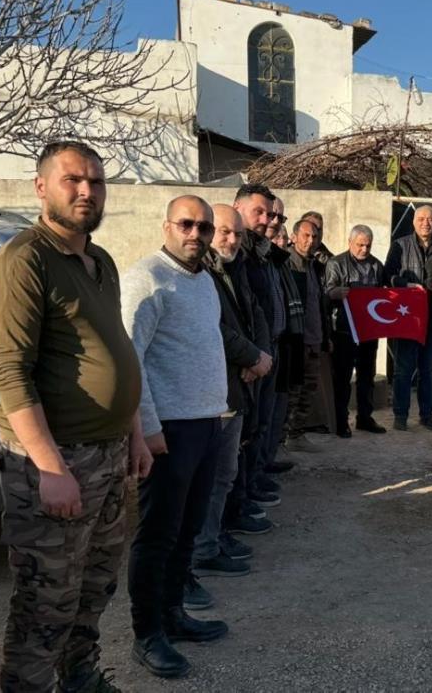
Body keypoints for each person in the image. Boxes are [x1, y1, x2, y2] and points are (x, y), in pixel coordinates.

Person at [0, 141, 152, 693]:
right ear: (41, 187)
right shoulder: (24, 260)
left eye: (97, 182)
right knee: (45, 600)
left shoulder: (99, 261)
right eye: (73, 180)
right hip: (56, 462)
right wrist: (51, 468)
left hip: (109, 456)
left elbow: (115, 346)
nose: (87, 191)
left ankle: (79, 676)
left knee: (94, 586)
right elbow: (11, 372)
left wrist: (134, 435)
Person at [122, 195, 230, 679]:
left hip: (208, 424)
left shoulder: (204, 280)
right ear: (166, 225)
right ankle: (147, 634)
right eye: (186, 224)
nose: (196, 234)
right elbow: (130, 360)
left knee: (187, 530)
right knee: (158, 534)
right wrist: (147, 428)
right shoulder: (146, 278)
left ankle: (174, 616)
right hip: (169, 431)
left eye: (204, 227)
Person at [191, 205, 273, 589]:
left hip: (237, 383)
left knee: (225, 473)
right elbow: (214, 328)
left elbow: (254, 314)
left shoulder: (235, 267)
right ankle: (203, 549)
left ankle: (213, 537)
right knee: (211, 477)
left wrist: (257, 355)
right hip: (214, 388)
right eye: (224, 232)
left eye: (237, 234)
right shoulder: (200, 272)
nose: (231, 240)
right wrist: (251, 356)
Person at [233, 184, 295, 530]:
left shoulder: (262, 254)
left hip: (267, 350)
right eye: (261, 212)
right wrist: (250, 354)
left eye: (272, 215)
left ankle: (250, 485)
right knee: (243, 434)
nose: (268, 220)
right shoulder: (235, 256)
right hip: (248, 360)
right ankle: (237, 504)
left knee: (259, 425)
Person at [384, 205, 432, 431]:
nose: (426, 223)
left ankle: (427, 415)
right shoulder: (399, 246)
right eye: (421, 218)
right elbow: (387, 275)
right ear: (414, 221)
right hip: (408, 318)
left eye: (430, 219)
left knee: (428, 370)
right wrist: (405, 284)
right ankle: (400, 415)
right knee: (403, 370)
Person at [325, 224, 387, 437]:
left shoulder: (377, 266)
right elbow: (326, 292)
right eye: (360, 245)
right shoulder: (335, 263)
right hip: (343, 329)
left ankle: (365, 417)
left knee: (366, 376)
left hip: (368, 330)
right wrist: (335, 293)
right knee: (342, 378)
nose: (364, 249)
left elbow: (385, 293)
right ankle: (341, 420)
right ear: (350, 242)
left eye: (368, 246)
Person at [284, 218, 332, 451]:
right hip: (296, 340)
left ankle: (296, 436)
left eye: (314, 236)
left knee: (308, 391)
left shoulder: (314, 265)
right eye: (305, 235)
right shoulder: (287, 265)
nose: (310, 241)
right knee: (292, 392)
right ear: (293, 237)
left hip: (315, 339)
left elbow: (318, 303)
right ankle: (281, 440)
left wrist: (325, 337)